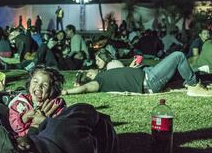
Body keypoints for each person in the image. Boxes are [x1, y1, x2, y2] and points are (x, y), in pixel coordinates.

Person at [62, 51, 212, 97]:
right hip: (150, 79)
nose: (93, 67)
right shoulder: (99, 81)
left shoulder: (107, 72)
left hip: (148, 74)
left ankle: (199, 76)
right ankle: (194, 86)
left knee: (186, 70)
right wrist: (67, 91)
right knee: (178, 56)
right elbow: (86, 88)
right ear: (89, 75)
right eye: (90, 69)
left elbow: (123, 72)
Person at [8, 66, 66, 136]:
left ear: (52, 90)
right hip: (24, 140)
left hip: (45, 139)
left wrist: (45, 120)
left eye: (45, 85)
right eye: (35, 81)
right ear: (29, 83)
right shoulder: (19, 103)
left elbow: (60, 125)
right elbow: (14, 127)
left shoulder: (55, 105)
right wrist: (25, 117)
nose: (39, 86)